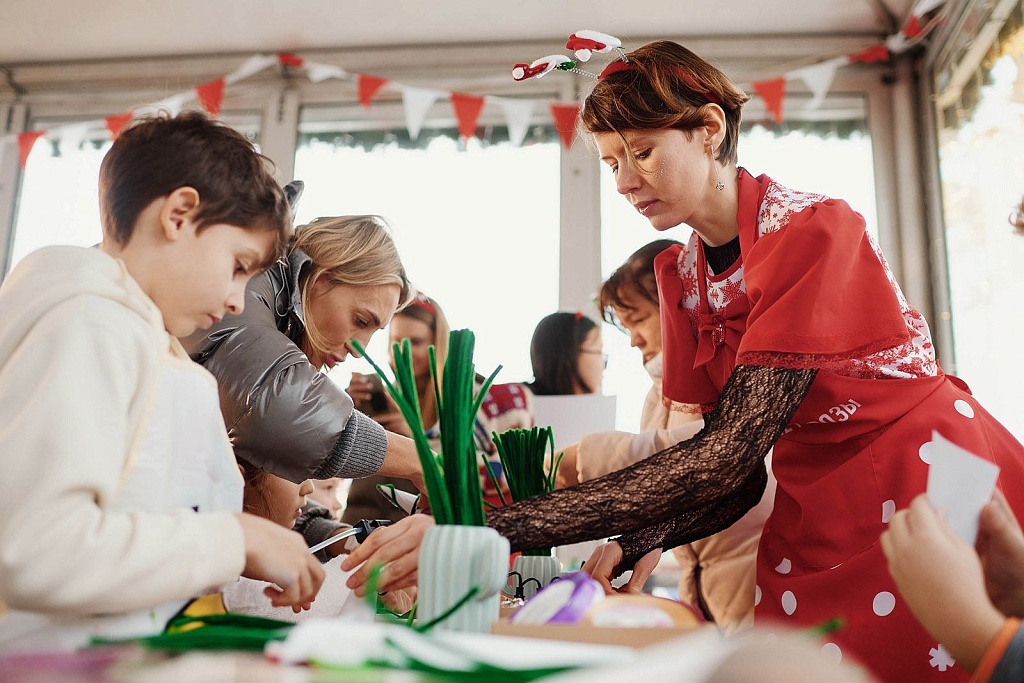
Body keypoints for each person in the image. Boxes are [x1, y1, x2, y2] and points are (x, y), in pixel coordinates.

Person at [342, 40, 1024, 682]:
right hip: (814, 497)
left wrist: (492, 525)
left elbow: (728, 455)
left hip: (920, 473)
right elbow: (737, 474)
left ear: (710, 129)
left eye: (641, 151)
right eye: (611, 162)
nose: (623, 181)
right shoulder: (682, 276)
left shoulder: (811, 230)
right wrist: (645, 534)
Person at [0, 112, 323, 649]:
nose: (236, 300)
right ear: (178, 214)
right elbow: (37, 548)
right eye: (238, 264)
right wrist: (233, 539)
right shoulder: (90, 323)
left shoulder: (140, 335)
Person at [556, 239, 773, 634]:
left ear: (682, 305)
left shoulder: (741, 375)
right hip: (707, 605)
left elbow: (698, 454)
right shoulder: (657, 398)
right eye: (625, 326)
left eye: (638, 319)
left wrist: (576, 462)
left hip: (763, 602)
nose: (634, 339)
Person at [182, 214, 426, 552]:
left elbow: (260, 494)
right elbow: (278, 406)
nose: (359, 350)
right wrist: (419, 460)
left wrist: (337, 539)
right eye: (360, 320)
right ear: (323, 279)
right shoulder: (252, 278)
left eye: (373, 332)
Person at [344, 292, 533, 521]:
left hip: (439, 532)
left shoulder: (476, 400)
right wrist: (342, 410)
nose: (404, 350)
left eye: (415, 342)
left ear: (437, 343)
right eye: (396, 341)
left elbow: (504, 474)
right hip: (368, 530)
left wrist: (415, 443)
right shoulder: (386, 398)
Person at [527, 311, 605, 396]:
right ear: (570, 355)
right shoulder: (521, 405)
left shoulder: (598, 407)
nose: (604, 364)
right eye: (598, 352)